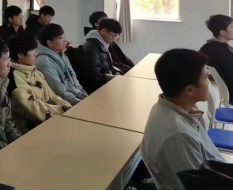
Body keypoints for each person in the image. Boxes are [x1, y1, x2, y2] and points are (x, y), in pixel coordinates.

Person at [141, 49, 226, 190]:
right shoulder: (178, 136)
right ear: (190, 90)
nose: (209, 82)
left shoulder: (167, 106)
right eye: (206, 78)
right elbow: (198, 185)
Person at [8, 33, 71, 134]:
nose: (35, 54)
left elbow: (53, 96)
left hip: (51, 122)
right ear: (20, 55)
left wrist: (67, 106)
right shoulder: (14, 78)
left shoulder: (37, 73)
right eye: (32, 50)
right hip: (30, 132)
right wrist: (63, 110)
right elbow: (35, 110)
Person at [36, 24, 88, 106]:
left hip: (76, 100)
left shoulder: (62, 55)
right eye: (60, 38)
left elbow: (75, 81)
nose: (65, 40)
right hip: (63, 105)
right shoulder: (44, 62)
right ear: (49, 43)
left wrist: (85, 96)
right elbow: (59, 91)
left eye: (64, 36)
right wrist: (80, 103)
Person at [79, 18, 122, 94]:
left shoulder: (103, 44)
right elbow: (94, 77)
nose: (114, 39)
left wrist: (116, 72)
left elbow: (108, 66)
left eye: (116, 36)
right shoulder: (91, 48)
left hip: (106, 82)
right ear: (103, 31)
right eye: (113, 36)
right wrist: (114, 78)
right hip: (97, 89)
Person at [200, 15, 233, 105]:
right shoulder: (221, 52)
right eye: (232, 27)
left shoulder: (208, 47)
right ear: (222, 32)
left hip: (226, 93)